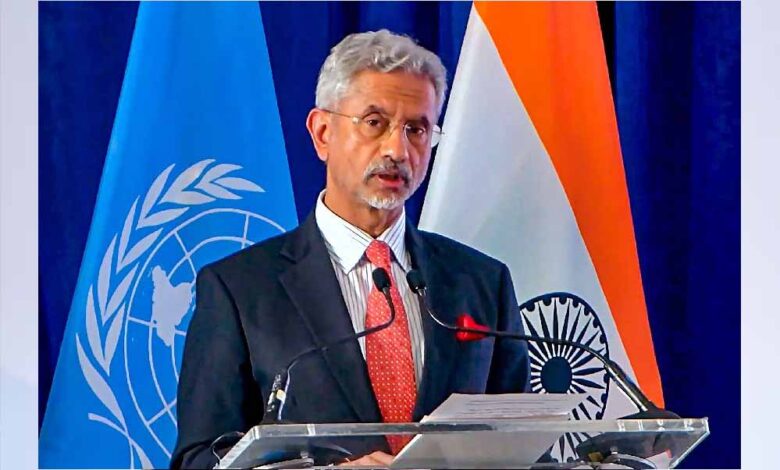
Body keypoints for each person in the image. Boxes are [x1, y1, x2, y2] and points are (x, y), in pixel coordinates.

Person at [171, 29, 530, 469]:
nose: (398, 150)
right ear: (323, 133)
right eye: (375, 122)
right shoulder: (239, 290)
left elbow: (522, 446)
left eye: (416, 129)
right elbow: (201, 458)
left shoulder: (483, 283)